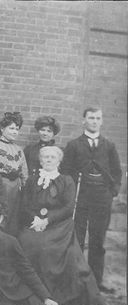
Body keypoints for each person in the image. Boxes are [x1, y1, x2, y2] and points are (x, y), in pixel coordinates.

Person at [18, 146, 103, 305]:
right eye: (45, 157)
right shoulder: (32, 180)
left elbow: (68, 208)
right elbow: (25, 204)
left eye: (52, 157)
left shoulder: (66, 180)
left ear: (59, 161)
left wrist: (47, 220)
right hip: (34, 222)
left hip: (59, 225)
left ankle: (55, 294)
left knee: (47, 248)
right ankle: (31, 293)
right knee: (26, 242)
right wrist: (35, 218)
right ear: (41, 160)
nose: (49, 160)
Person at [62, 107, 122, 293]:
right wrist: (70, 194)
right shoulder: (73, 145)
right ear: (83, 120)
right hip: (80, 197)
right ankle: (76, 279)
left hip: (101, 198)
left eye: (98, 118)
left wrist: (112, 191)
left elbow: (117, 172)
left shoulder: (109, 145)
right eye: (91, 118)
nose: (94, 121)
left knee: (98, 239)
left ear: (101, 121)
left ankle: (95, 280)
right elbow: (66, 171)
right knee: (77, 238)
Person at [0, 112, 28, 236]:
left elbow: (24, 172)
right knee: (1, 214)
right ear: (2, 129)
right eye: (11, 128)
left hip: (15, 189)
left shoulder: (19, 150)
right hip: (0, 186)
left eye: (17, 129)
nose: (14, 132)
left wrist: (24, 186)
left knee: (13, 217)